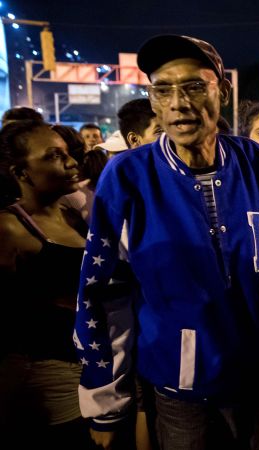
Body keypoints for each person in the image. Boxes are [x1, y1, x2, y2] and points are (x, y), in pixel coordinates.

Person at [74, 35, 259, 450]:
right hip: (183, 393)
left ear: (222, 90)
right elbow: (102, 295)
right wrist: (106, 403)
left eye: (194, 86)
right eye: (162, 89)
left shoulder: (254, 160)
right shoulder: (126, 178)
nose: (178, 102)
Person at [0, 120, 93, 448]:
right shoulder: (8, 227)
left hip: (89, 365)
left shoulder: (73, 216)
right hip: (47, 372)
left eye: (68, 154)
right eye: (54, 156)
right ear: (21, 172)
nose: (71, 163)